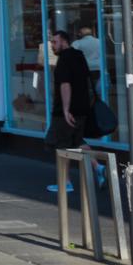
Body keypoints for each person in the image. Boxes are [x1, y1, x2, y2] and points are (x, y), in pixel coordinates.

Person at [45, 29, 94, 190]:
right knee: (77, 140)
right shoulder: (79, 56)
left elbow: (65, 84)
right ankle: (98, 167)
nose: (52, 45)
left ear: (64, 41)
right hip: (82, 108)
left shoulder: (64, 59)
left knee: (60, 145)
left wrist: (66, 110)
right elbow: (87, 80)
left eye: (54, 42)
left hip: (66, 111)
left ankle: (66, 182)